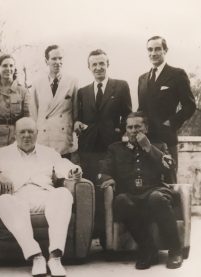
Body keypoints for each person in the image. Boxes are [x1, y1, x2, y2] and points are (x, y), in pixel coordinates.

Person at [0, 117, 82, 277]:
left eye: (31, 131)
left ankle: (55, 257)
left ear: (37, 134)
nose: (26, 135)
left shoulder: (49, 152)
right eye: (22, 132)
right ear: (15, 135)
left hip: (45, 195)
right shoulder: (2, 153)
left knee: (63, 194)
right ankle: (36, 255)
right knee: (3, 201)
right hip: (18, 197)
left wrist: (74, 170)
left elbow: (65, 166)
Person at [99, 111, 183, 269]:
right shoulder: (115, 148)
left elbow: (170, 169)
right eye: (129, 127)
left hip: (155, 191)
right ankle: (148, 249)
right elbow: (104, 171)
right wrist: (107, 179)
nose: (133, 130)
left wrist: (148, 148)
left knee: (156, 197)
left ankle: (175, 251)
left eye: (138, 126)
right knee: (121, 201)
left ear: (146, 129)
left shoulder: (159, 146)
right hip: (131, 195)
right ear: (125, 129)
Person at [75, 49, 132, 245]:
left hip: (112, 147)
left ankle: (112, 236)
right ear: (89, 67)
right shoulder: (82, 92)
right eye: (94, 64)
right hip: (89, 148)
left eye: (102, 63)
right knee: (92, 188)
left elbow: (128, 114)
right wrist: (78, 125)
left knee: (111, 187)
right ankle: (96, 231)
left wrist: (118, 132)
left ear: (108, 64)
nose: (98, 67)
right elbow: (79, 118)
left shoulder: (121, 86)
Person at [138, 36, 196, 183]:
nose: (153, 53)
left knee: (169, 179)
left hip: (167, 138)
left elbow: (190, 105)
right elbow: (141, 109)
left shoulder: (177, 74)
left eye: (157, 49)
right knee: (147, 180)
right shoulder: (142, 79)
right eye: (150, 49)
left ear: (165, 50)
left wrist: (170, 123)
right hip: (146, 140)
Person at [31, 45, 79, 159]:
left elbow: (76, 112)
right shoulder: (37, 83)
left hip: (63, 138)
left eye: (60, 58)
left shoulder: (72, 81)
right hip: (44, 138)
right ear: (46, 61)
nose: (58, 62)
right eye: (54, 59)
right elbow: (33, 113)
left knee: (64, 172)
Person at [0, 54, 30, 152]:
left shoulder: (23, 91)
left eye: (11, 66)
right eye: (4, 66)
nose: (8, 69)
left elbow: (27, 119)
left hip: (15, 138)